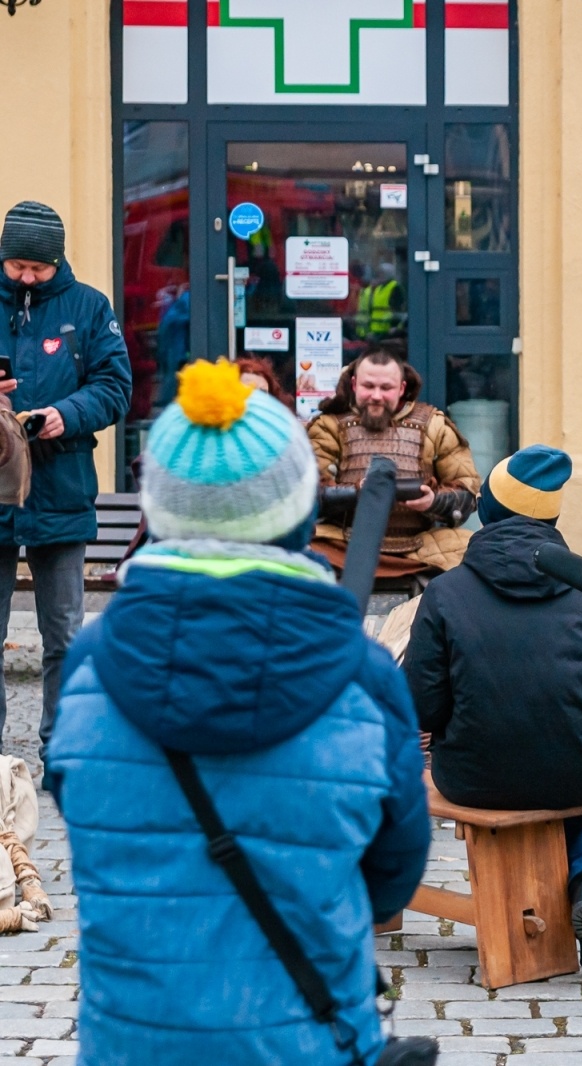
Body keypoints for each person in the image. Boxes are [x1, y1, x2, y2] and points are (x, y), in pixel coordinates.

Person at [49, 358, 430, 1063]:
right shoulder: (364, 673)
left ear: (158, 510)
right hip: (305, 1038)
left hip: (130, 1042)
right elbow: (394, 874)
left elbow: (87, 828)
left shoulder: (90, 663)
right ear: (299, 508)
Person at [404, 444, 582, 978]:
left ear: (492, 513)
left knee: (559, 773)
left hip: (474, 776)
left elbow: (420, 704)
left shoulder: (446, 592)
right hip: (577, 773)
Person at [0, 201, 133, 754]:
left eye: (39, 268)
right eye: (17, 267)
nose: (27, 277)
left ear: (58, 260)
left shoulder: (90, 307)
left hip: (61, 485)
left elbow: (115, 387)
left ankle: (63, 749)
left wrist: (66, 414)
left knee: (65, 633)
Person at [308, 347, 480, 577]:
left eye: (386, 388)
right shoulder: (328, 426)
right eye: (368, 386)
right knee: (298, 555)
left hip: (420, 546)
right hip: (343, 543)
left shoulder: (435, 426)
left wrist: (433, 501)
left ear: (401, 388)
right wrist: (357, 492)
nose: (376, 396)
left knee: (476, 557)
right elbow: (308, 494)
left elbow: (467, 494)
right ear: (354, 384)